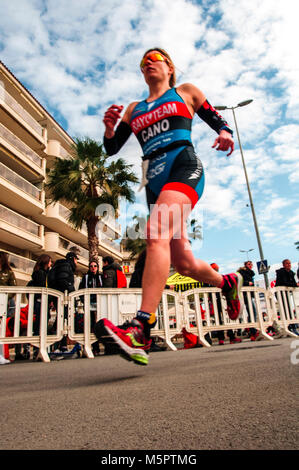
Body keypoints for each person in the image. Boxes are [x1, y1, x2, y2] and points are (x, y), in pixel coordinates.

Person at [95, 47, 243, 366]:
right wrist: (109, 130)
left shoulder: (185, 91)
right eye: (143, 62)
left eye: (155, 59)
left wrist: (225, 132)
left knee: (154, 234)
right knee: (185, 264)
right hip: (154, 179)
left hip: (182, 165)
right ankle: (227, 282)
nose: (148, 63)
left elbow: (215, 119)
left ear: (169, 67)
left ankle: (141, 329)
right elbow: (110, 148)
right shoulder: (134, 110)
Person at [204, 263, 241, 345]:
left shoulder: (207, 279)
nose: (217, 269)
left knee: (220, 319)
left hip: (216, 301)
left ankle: (223, 338)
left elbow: (205, 290)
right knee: (224, 318)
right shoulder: (219, 277)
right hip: (220, 300)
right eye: (216, 268)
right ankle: (230, 337)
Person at [48, 251, 78, 352]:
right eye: (76, 259)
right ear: (73, 259)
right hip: (63, 298)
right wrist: (72, 291)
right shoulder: (66, 266)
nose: (77, 262)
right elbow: (63, 280)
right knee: (64, 320)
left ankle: (61, 344)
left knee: (63, 320)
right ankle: (59, 345)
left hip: (59, 297)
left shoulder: (60, 266)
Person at [27, 254, 53, 360]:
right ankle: (37, 349)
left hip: (43, 302)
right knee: (39, 325)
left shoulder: (43, 273)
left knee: (41, 325)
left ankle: (38, 349)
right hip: (40, 302)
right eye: (50, 261)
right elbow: (44, 287)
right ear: (46, 262)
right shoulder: (40, 273)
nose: (51, 264)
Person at [78, 259, 103, 355]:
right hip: (89, 304)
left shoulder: (101, 277)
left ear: (97, 267)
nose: (93, 268)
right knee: (90, 325)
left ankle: (103, 345)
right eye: (91, 266)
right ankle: (94, 347)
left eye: (95, 266)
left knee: (100, 324)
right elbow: (81, 289)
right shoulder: (86, 277)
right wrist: (84, 301)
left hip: (99, 304)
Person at [0, 251, 17, 364]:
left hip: (4, 303)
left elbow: (13, 287)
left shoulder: (8, 272)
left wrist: (5, 297)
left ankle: (2, 354)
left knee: (2, 328)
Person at [275, 259, 299, 334]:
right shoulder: (281, 272)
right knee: (286, 309)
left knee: (289, 309)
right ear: (283, 265)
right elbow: (284, 282)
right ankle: (290, 327)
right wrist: (295, 285)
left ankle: (291, 327)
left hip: (287, 292)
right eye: (287, 263)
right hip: (280, 293)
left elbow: (293, 283)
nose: (289, 265)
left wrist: (295, 284)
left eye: (289, 263)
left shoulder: (291, 273)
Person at [237, 261, 259, 341]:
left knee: (252, 312)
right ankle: (253, 332)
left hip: (249, 294)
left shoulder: (250, 273)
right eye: (249, 264)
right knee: (252, 312)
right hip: (246, 294)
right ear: (245, 265)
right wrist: (247, 283)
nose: (251, 265)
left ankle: (253, 331)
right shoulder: (243, 272)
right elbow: (240, 281)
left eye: (251, 264)